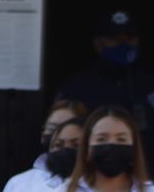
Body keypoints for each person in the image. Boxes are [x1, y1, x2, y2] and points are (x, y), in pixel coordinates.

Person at [58, 10, 154, 149]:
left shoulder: (148, 85)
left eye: (129, 37)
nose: (124, 43)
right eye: (115, 38)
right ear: (98, 43)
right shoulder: (77, 89)